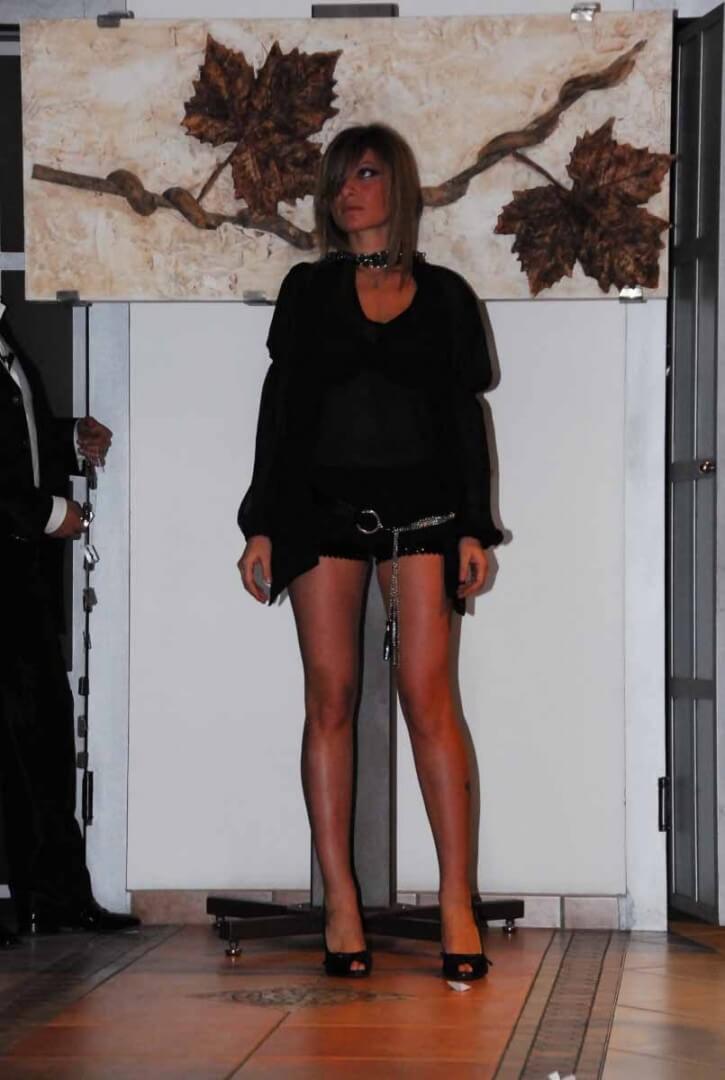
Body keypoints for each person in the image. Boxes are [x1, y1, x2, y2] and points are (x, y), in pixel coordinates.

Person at [237, 123, 502, 981]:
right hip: (319, 515)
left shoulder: (447, 295)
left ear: (398, 187)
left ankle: (455, 902)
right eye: (338, 179)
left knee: (430, 700)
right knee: (331, 700)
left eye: (364, 174)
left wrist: (472, 526)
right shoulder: (307, 290)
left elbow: (462, 417)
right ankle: (341, 904)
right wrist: (261, 523)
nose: (346, 191)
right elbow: (282, 411)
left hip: (425, 517)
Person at [0, 303, 140, 943]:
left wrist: (69, 439)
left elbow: (15, 439)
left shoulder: (4, 334)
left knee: (44, 736)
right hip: (14, 554)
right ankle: (39, 898)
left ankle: (53, 898)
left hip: (21, 577)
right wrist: (49, 513)